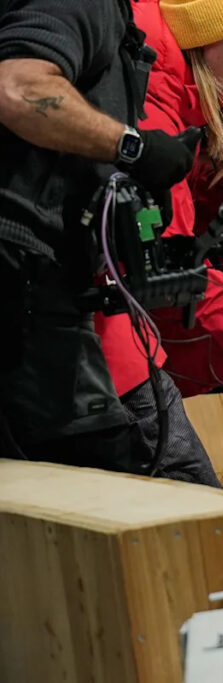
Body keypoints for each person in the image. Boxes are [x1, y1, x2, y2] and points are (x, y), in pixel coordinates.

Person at [0, 0, 199, 470]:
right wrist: (133, 148)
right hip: (23, 280)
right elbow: (18, 87)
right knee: (103, 478)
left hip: (41, 282)